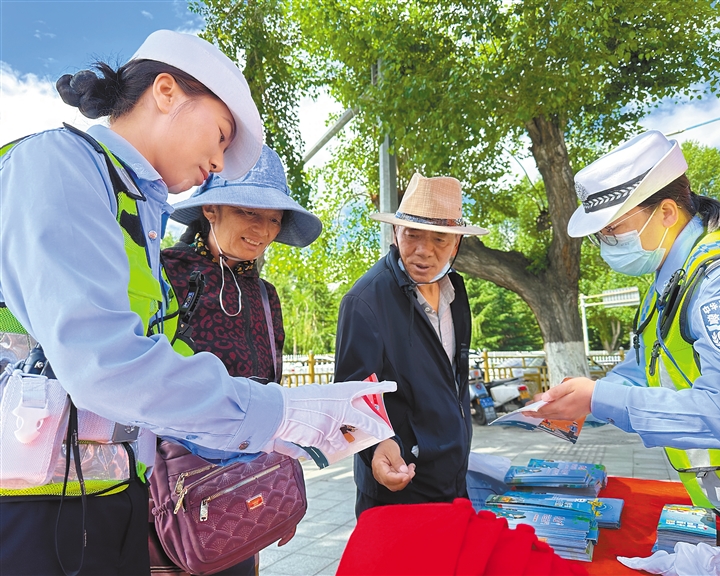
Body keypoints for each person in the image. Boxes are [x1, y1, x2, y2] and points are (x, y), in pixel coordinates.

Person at [0, 30, 393, 575]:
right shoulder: (59, 163)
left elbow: (166, 365)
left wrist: (274, 455)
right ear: (166, 91)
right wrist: (282, 414)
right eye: (221, 133)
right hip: (33, 506)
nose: (220, 160)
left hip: (110, 497)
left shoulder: (133, 210)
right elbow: (103, 362)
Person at [532, 130, 720, 545]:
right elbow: (645, 368)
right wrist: (584, 398)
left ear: (665, 212)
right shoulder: (667, 281)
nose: (605, 244)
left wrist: (599, 398)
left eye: (613, 230)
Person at [152, 145, 323, 575]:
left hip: (243, 486)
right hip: (174, 480)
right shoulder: (165, 273)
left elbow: (269, 385)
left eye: (273, 218)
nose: (262, 229)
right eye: (250, 211)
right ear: (211, 208)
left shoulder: (267, 297)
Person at [334, 173, 488, 517]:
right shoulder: (365, 300)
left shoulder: (456, 294)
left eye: (440, 239)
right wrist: (375, 449)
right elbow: (351, 397)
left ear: (457, 244)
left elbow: (453, 377)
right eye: (412, 234)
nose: (424, 250)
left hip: (453, 480)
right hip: (398, 486)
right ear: (395, 233)